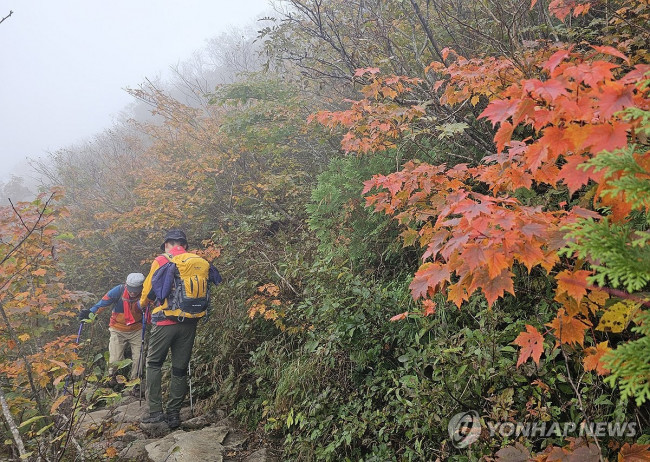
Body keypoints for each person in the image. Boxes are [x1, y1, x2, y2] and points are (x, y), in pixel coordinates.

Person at [140, 229, 222, 429]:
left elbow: (148, 290)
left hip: (165, 321)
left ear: (167, 244)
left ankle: (155, 412)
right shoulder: (197, 260)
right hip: (190, 321)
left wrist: (142, 304)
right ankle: (174, 414)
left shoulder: (161, 260)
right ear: (184, 245)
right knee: (179, 368)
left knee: (154, 364)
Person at [78, 272, 146, 393]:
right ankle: (112, 381)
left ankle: (134, 385)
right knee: (115, 358)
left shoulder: (146, 294)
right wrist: (90, 313)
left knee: (139, 358)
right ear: (126, 285)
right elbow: (102, 304)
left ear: (141, 287)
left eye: (136, 290)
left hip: (137, 329)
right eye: (131, 289)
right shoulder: (118, 291)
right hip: (117, 329)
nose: (133, 292)